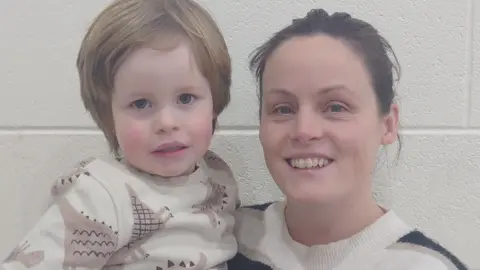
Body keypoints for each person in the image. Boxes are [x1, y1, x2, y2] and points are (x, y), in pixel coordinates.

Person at [1, 0, 238, 269]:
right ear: (109, 117)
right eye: (141, 104)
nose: (167, 122)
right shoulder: (99, 194)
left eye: (186, 98)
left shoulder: (219, 176)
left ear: (214, 104)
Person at [227, 8, 469, 270]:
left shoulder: (425, 265)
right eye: (283, 109)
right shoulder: (220, 240)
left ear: (387, 124)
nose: (304, 130)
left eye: (336, 107)